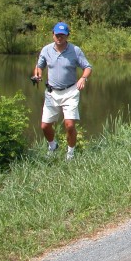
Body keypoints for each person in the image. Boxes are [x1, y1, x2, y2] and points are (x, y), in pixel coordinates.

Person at [33, 22, 92, 161]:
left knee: (69, 125)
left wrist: (83, 78)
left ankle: (70, 153)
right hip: (51, 92)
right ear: (53, 35)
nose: (59, 37)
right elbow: (39, 66)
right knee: (45, 126)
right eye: (57, 35)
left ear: (67, 36)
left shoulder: (75, 50)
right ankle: (53, 146)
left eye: (62, 35)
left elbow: (88, 67)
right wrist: (37, 75)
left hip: (70, 91)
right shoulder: (46, 50)